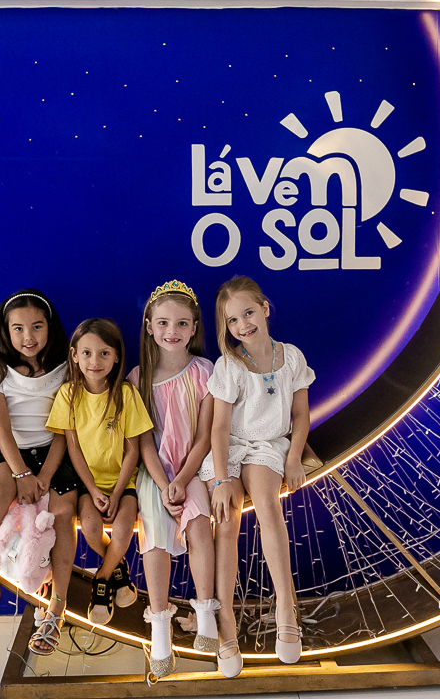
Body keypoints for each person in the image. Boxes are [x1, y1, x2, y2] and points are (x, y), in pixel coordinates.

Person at [200, 276, 314, 676]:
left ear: (264, 309)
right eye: (232, 320)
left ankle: (286, 607)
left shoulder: (292, 357)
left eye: (248, 313)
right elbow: (218, 429)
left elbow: (301, 415)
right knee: (227, 519)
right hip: (231, 447)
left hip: (267, 446)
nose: (243, 325)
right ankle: (226, 622)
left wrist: (295, 456)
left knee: (267, 504)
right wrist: (220, 480)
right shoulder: (229, 365)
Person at [0, 290, 80, 657]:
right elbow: (2, 432)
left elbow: (64, 430)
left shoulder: (65, 369)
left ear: (50, 327)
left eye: (36, 326)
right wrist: (21, 474)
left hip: (56, 455)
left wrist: (46, 475)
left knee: (63, 511)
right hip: (14, 455)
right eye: (18, 328)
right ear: (6, 331)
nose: (28, 336)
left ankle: (57, 608)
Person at [129, 280, 218, 680]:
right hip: (155, 472)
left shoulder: (205, 372)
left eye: (182, 323)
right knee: (154, 532)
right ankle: (160, 625)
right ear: (149, 326)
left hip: (192, 468)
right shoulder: (137, 378)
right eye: (163, 323)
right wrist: (164, 482)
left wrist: (181, 479)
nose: (172, 331)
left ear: (194, 328)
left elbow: (204, 437)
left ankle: (206, 612)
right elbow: (144, 440)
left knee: (199, 523)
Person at [47, 318, 154, 625]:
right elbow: (73, 449)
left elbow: (133, 450)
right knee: (92, 530)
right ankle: (118, 570)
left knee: (122, 532)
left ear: (116, 356)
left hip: (123, 482)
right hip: (88, 484)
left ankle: (103, 578)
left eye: (104, 353)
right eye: (87, 353)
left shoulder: (126, 394)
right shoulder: (67, 395)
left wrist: (117, 493)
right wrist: (93, 490)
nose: (95, 361)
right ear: (74, 356)